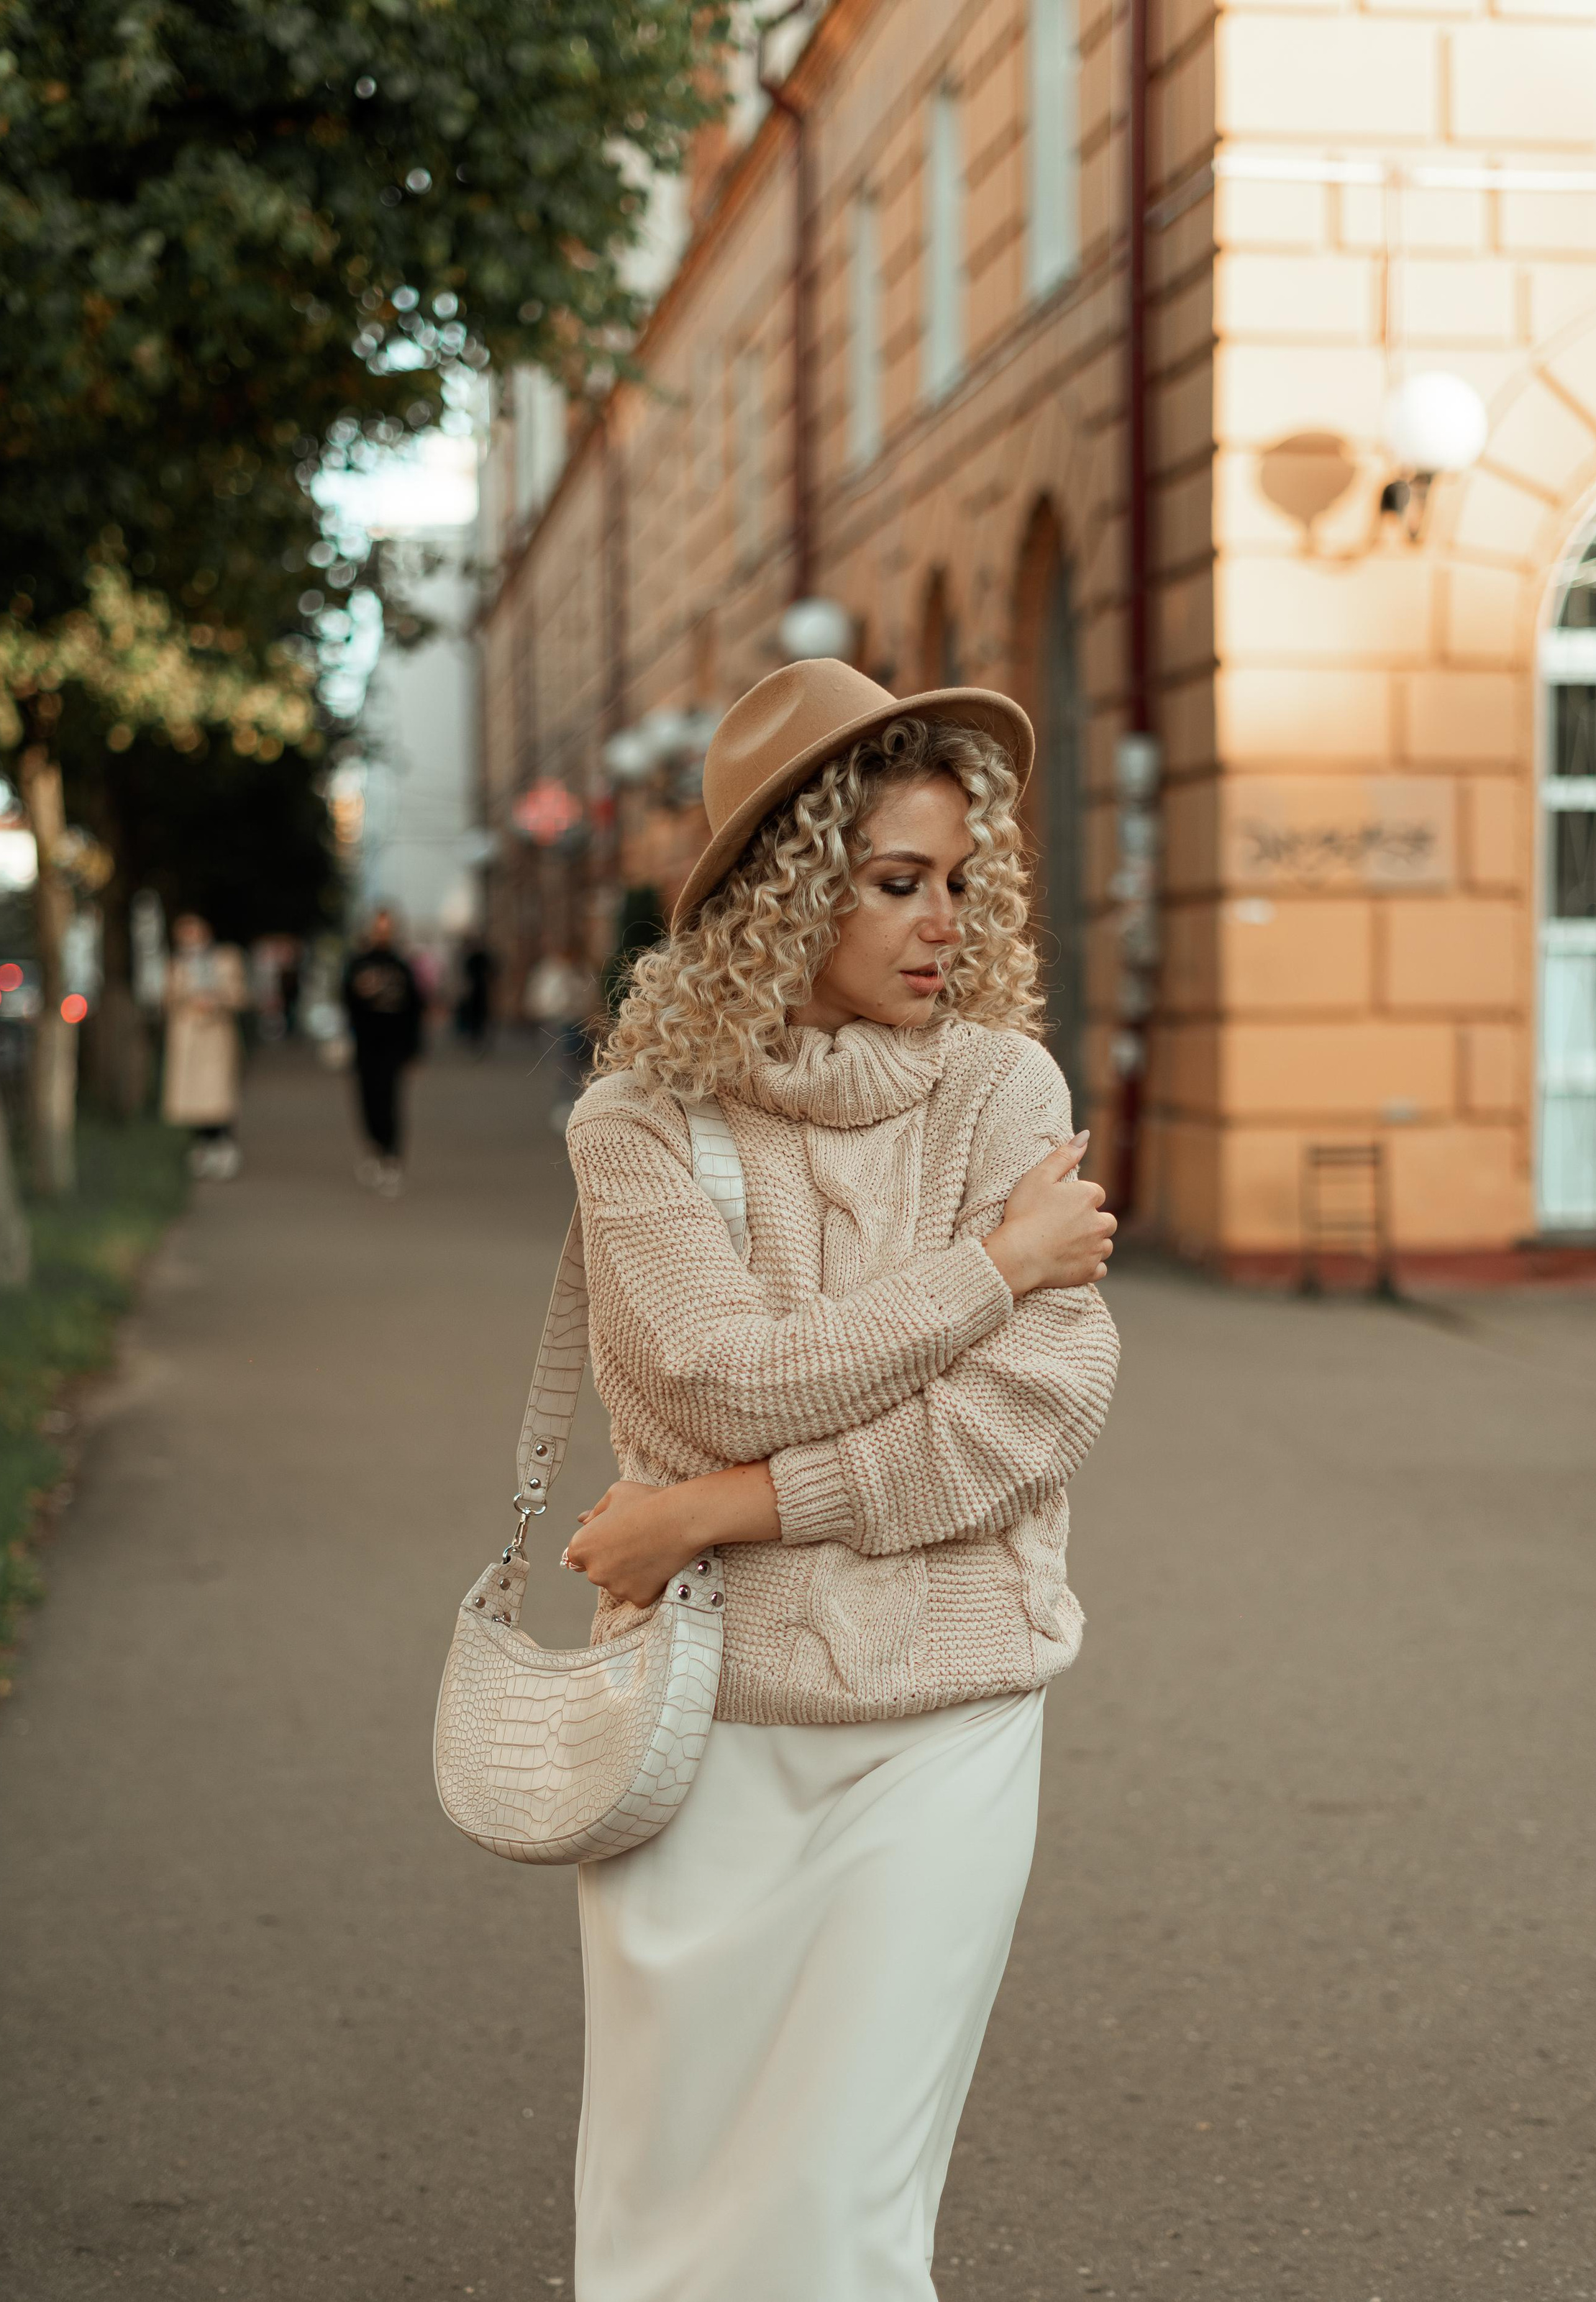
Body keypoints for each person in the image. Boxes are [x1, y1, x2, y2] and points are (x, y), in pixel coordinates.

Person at [557, 658, 1121, 2301]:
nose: (943, 919)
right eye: (896, 883)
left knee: (845, 2221)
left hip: (943, 1719)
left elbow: (1032, 1408)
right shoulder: (636, 1119)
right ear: (785, 893)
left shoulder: (1002, 1089)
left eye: (957, 881)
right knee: (667, 2219)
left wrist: (718, 1509)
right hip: (704, 1727)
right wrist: (989, 1270)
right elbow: (717, 1369)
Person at [341, 909, 423, 1197]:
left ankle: (392, 1156)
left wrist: (414, 1050)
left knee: (391, 1100)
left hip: (394, 1046)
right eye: (379, 928)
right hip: (365, 1044)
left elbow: (415, 1009)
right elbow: (346, 1003)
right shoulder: (357, 964)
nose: (383, 934)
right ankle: (374, 1149)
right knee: (368, 1100)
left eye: (388, 929)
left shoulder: (402, 966)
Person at [161, 913, 249, 1179]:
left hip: (216, 1038)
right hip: (189, 1039)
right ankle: (202, 1147)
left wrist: (217, 999)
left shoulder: (225, 959)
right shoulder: (175, 965)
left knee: (218, 1096)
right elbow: (167, 998)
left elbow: (240, 995)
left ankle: (222, 1146)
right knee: (194, 1098)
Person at [522, 944, 596, 1130]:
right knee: (562, 1067)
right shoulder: (551, 972)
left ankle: (578, 1106)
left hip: (577, 1023)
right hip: (556, 1024)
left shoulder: (581, 972)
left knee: (578, 1067)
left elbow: (590, 997)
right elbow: (542, 999)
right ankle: (563, 1108)